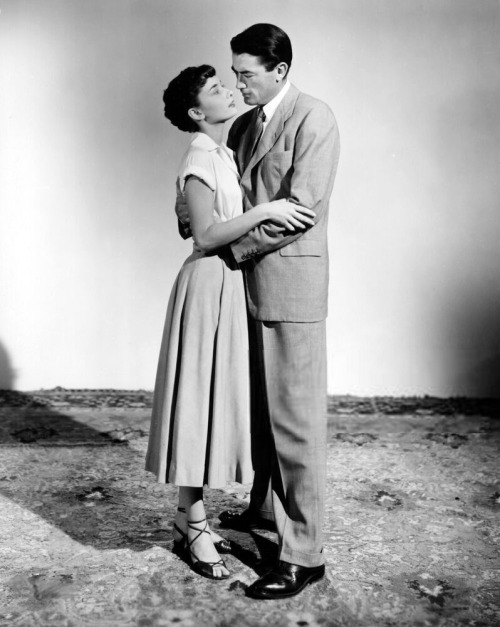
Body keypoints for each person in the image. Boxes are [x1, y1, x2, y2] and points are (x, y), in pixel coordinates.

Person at [178, 23, 340, 599]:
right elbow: (221, 198)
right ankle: (263, 511)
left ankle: (303, 556)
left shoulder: (313, 118)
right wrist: (200, 224)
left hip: (289, 288)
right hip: (239, 289)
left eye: (246, 74)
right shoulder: (243, 126)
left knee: (296, 425)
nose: (238, 83)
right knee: (262, 419)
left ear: (279, 72)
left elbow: (301, 208)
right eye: (235, 73)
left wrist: (228, 247)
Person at [145, 64, 315, 582]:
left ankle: (185, 518)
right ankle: (193, 524)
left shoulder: (222, 151)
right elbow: (204, 234)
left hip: (225, 285)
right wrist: (268, 211)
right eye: (217, 89)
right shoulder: (200, 154)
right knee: (198, 401)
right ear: (198, 113)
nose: (231, 90)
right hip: (205, 286)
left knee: (210, 402)